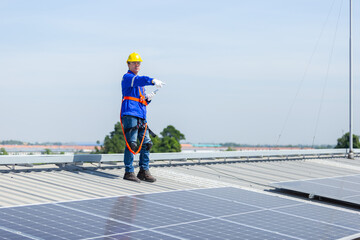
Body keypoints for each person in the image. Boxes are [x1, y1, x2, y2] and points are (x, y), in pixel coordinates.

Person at [120, 52, 165, 183]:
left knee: (147, 143)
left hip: (141, 115)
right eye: (134, 63)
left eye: (138, 63)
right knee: (132, 143)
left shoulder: (140, 85)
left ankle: (143, 171)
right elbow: (140, 80)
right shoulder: (128, 78)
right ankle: (129, 171)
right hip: (130, 114)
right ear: (128, 64)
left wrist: (147, 99)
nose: (136, 65)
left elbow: (141, 101)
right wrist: (151, 80)